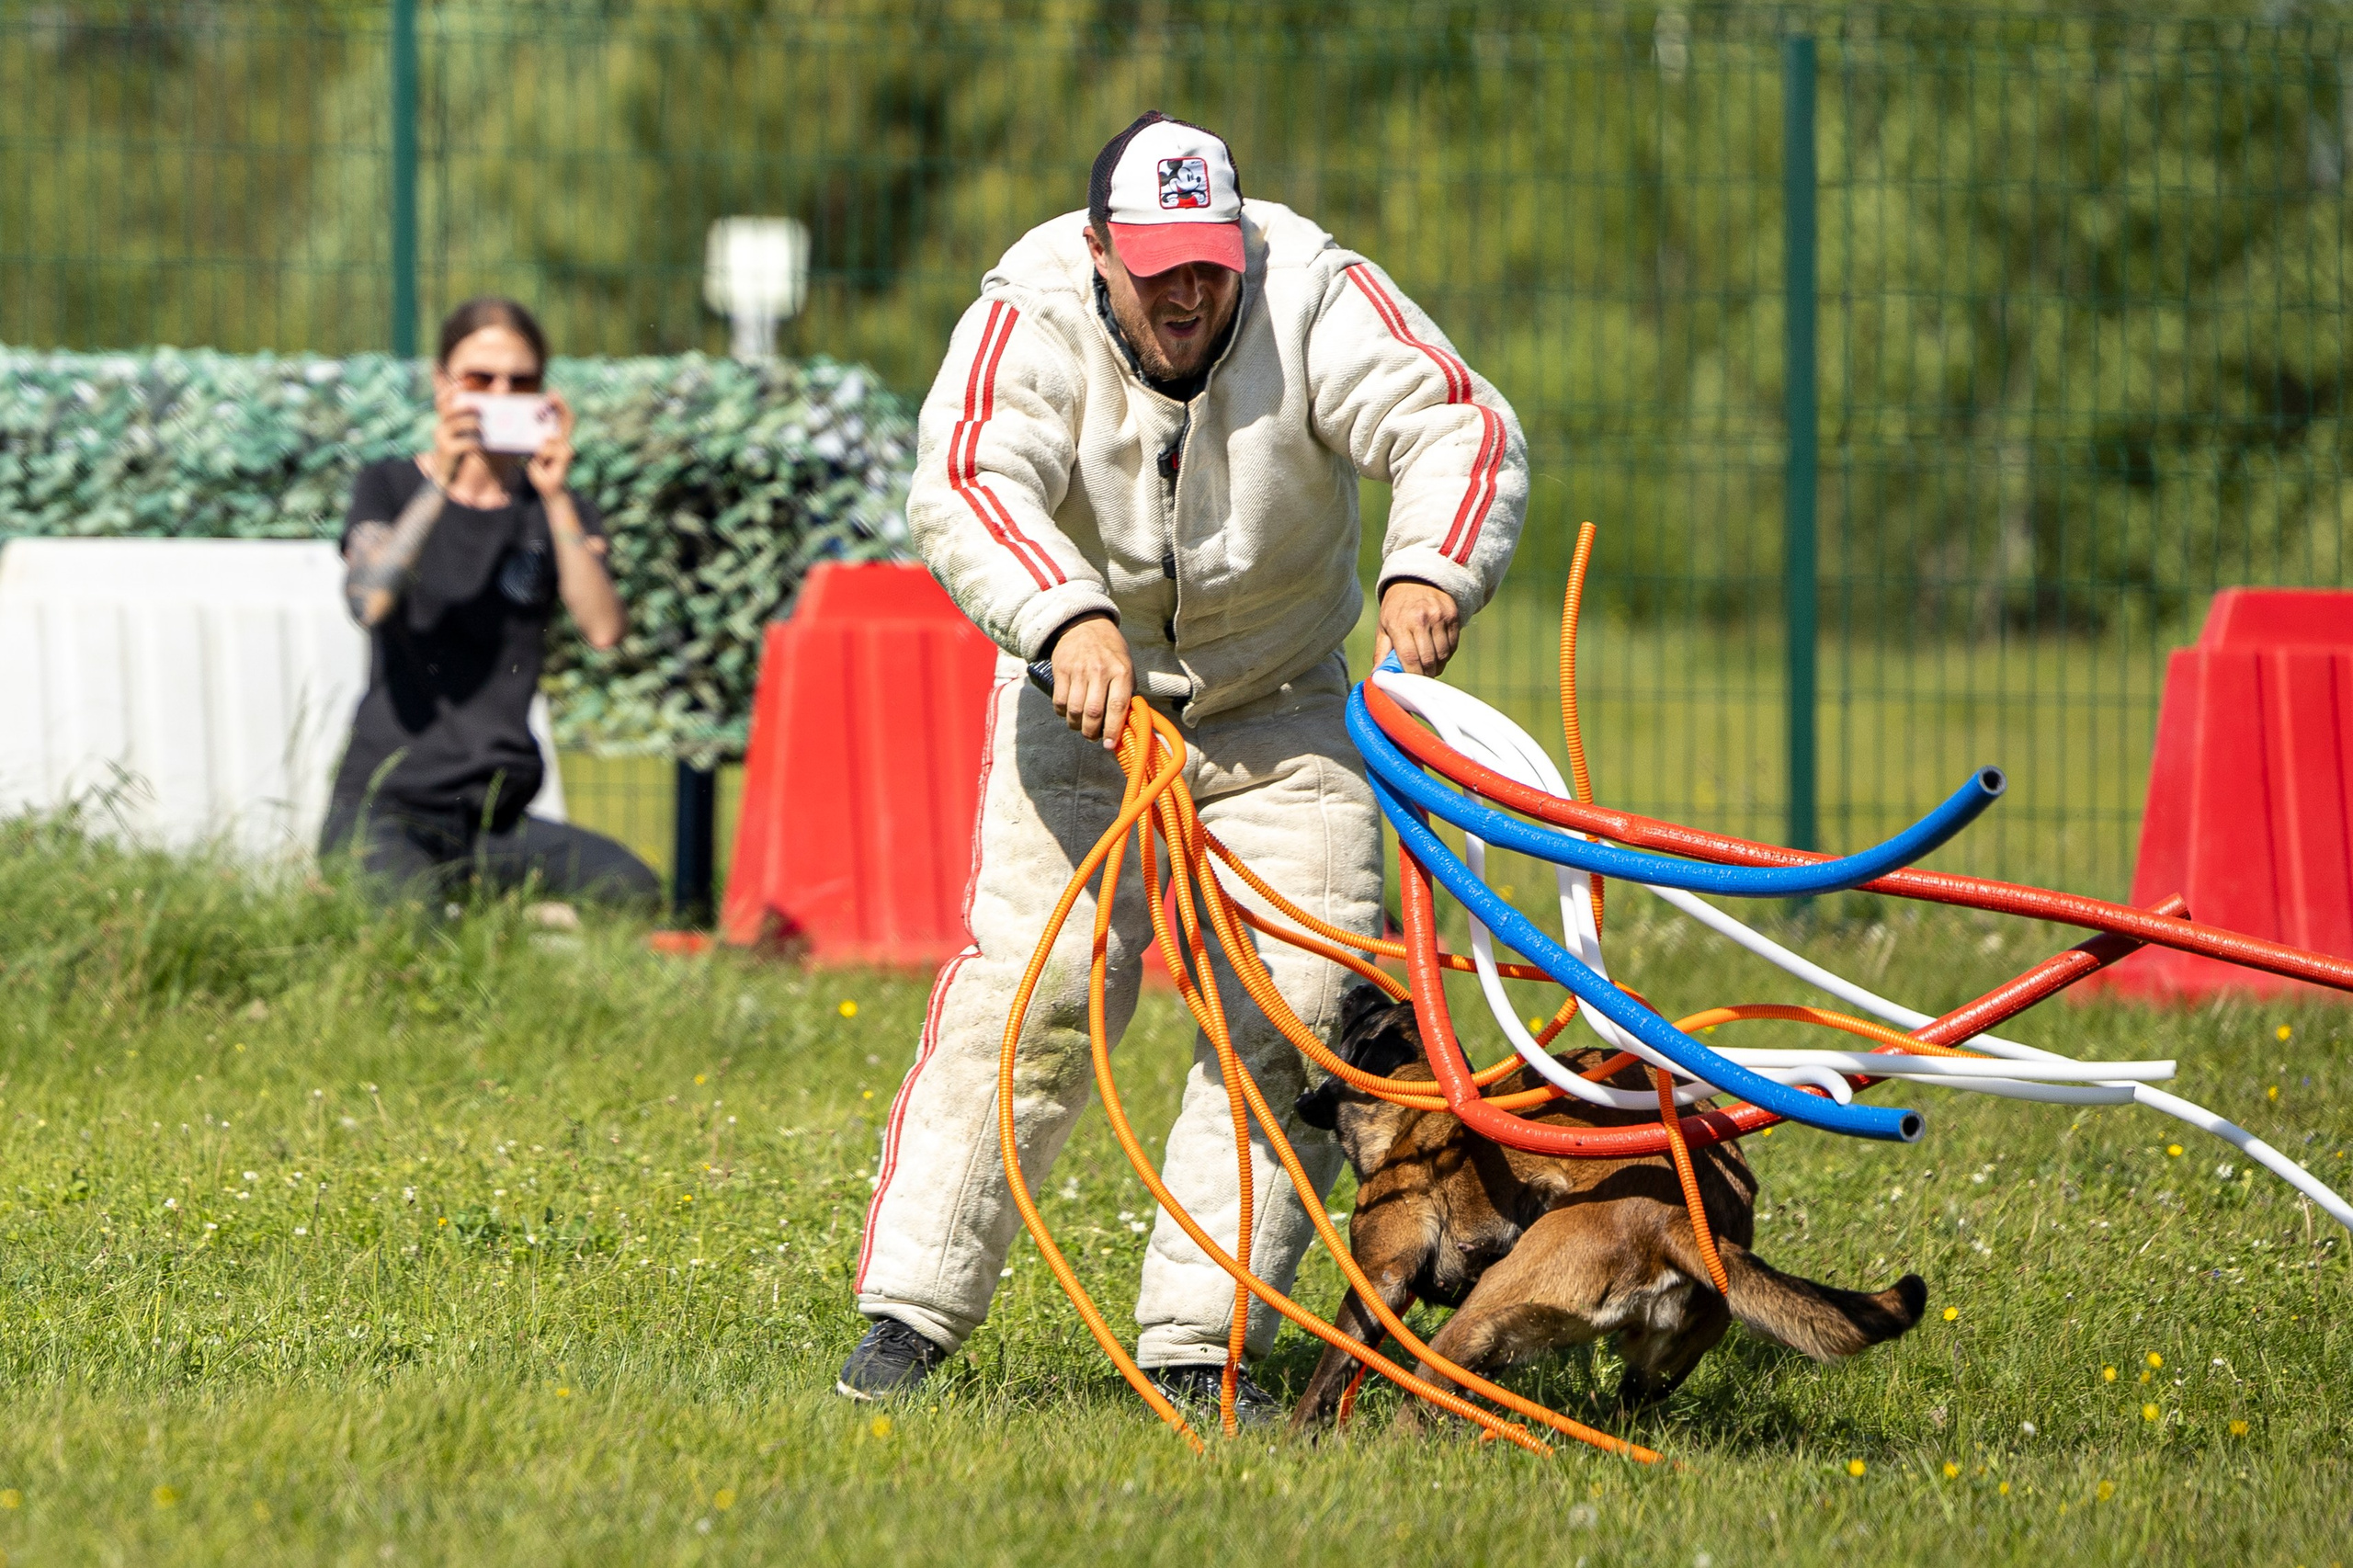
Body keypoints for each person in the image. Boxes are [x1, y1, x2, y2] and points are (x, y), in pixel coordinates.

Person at [841, 113, 1529, 1420]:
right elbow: (967, 476)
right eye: (1153, 265)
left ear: (1238, 246)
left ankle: (1200, 1342)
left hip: (1284, 713)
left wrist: (1432, 563)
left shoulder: (1314, 286)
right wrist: (1064, 612)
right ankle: (909, 1317)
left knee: (1294, 1012)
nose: (1186, 290)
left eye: (1206, 261)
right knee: (1031, 997)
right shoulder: (1027, 308)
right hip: (1081, 703)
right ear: (1100, 253)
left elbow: (1461, 425)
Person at [320, 297, 660, 907]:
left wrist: (555, 498)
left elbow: (604, 629)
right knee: (413, 934)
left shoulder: (556, 511)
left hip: (492, 820)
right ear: (441, 384)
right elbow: (369, 602)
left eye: (520, 382)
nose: (500, 395)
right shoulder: (392, 486)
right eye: (480, 379)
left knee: (630, 890)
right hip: (386, 806)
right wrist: (442, 483)